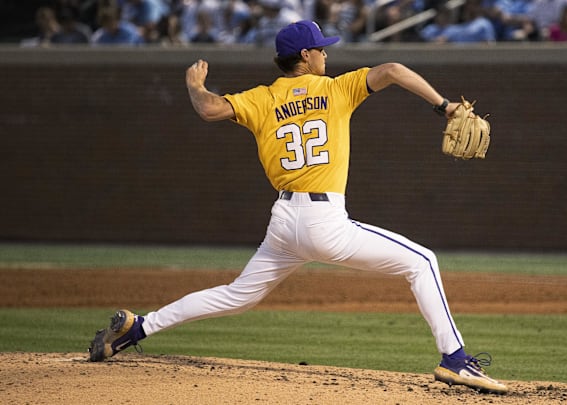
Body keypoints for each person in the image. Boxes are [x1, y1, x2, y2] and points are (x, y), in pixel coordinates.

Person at [87, 20, 509, 395]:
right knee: (422, 262)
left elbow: (210, 108)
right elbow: (394, 71)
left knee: (238, 295)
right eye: (322, 48)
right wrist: (445, 106)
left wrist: (196, 86)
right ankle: (455, 359)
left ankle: (138, 326)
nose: (327, 54)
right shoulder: (335, 88)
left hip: (285, 222)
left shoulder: (263, 98)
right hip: (324, 221)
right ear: (305, 56)